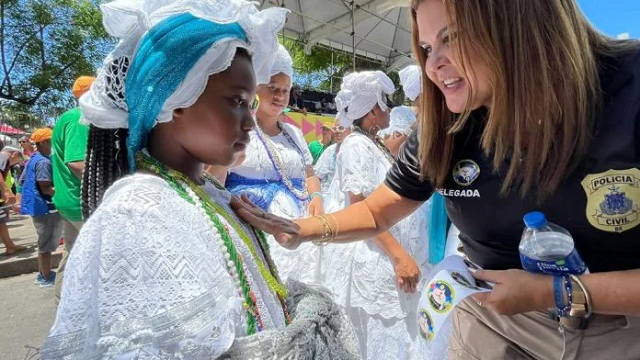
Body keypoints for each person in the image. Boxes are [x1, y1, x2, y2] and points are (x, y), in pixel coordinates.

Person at [234, 0, 640, 359]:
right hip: (492, 326)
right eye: (427, 48)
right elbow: (378, 211)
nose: (432, 64)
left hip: (621, 332)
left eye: (453, 38)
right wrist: (301, 229)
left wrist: (554, 292)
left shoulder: (628, 86)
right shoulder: (445, 127)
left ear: (517, 21)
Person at [42, 1, 359, 359]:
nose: (250, 122)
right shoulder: (139, 211)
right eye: (237, 101)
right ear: (176, 99)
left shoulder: (204, 190)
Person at [318, 70, 432, 360]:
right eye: (384, 103)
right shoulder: (356, 145)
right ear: (370, 112)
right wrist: (398, 256)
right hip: (377, 263)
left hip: (387, 260)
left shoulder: (372, 144)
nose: (389, 109)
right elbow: (360, 206)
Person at [227, 44, 324, 284]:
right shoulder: (239, 127)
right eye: (272, 88)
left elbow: (309, 174)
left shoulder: (294, 133)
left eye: (285, 90)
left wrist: (317, 197)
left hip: (299, 224)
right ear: (255, 87)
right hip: (254, 229)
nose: (280, 96)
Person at [51, 75, 94, 304]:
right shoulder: (80, 118)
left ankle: (62, 304)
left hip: (69, 198)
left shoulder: (67, 117)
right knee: (99, 255)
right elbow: (77, 163)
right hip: (81, 200)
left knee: (71, 252)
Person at [19, 128, 63, 287]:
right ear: (43, 142)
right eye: (52, 140)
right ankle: (46, 276)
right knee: (46, 245)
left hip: (38, 207)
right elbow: (45, 187)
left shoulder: (33, 159)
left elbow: (23, 181)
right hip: (45, 208)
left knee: (44, 244)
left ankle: (43, 274)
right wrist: (64, 192)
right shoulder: (44, 161)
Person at [0, 146, 25, 256]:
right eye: (17, 161)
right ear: (14, 154)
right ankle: (10, 246)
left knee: (1, 222)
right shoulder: (3, 157)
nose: (14, 164)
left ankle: (10, 246)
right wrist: (6, 191)